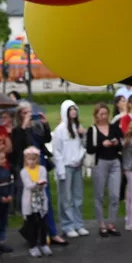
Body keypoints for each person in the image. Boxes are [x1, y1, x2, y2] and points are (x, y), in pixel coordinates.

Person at [85, 102, 123, 237]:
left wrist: (117, 143)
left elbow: (121, 145)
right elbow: (89, 148)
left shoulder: (114, 127)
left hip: (115, 162)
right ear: (96, 115)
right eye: (101, 114)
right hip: (100, 162)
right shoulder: (92, 130)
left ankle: (111, 223)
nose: (104, 116)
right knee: (99, 195)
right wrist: (102, 144)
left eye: (106, 113)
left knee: (115, 195)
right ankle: (101, 224)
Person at [52, 100, 88, 239]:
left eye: (75, 109)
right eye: (70, 110)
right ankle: (68, 225)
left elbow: (84, 145)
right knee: (65, 198)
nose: (73, 112)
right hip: (66, 167)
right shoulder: (60, 130)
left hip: (77, 166)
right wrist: (60, 170)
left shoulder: (78, 127)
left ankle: (79, 224)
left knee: (77, 196)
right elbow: (58, 151)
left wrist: (82, 134)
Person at [19, 147, 51, 258]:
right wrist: (38, 184)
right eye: (29, 159)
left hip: (41, 201)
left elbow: (44, 182)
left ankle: (43, 243)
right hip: (30, 203)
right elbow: (29, 186)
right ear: (26, 160)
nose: (31, 162)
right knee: (31, 225)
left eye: (33, 159)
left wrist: (38, 184)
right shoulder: (24, 172)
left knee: (42, 224)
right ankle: (33, 246)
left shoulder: (42, 169)